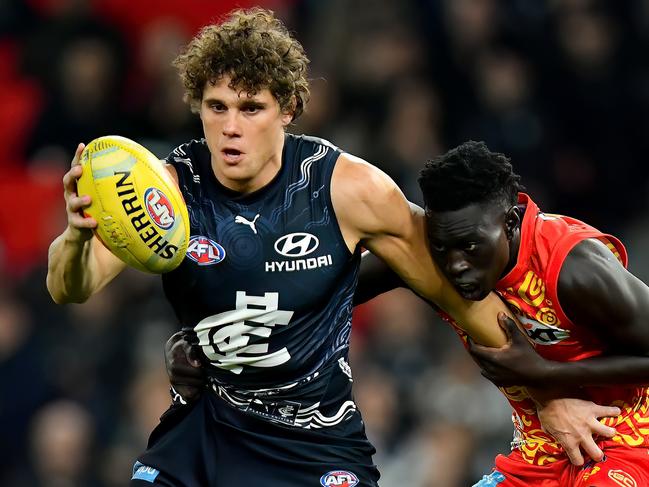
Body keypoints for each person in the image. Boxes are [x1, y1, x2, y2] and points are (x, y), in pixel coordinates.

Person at [46, 8, 518, 486]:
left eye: (251, 108)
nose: (231, 126)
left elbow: (455, 293)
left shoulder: (347, 190)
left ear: (288, 110)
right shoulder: (167, 191)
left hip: (313, 446)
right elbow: (71, 288)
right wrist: (77, 236)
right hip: (203, 437)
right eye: (216, 107)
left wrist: (550, 396)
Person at [417, 141, 649, 486]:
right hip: (540, 452)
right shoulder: (434, 257)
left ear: (510, 222)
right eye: (441, 247)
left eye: (469, 246)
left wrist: (547, 373)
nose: (455, 265)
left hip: (629, 442)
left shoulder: (574, 268)